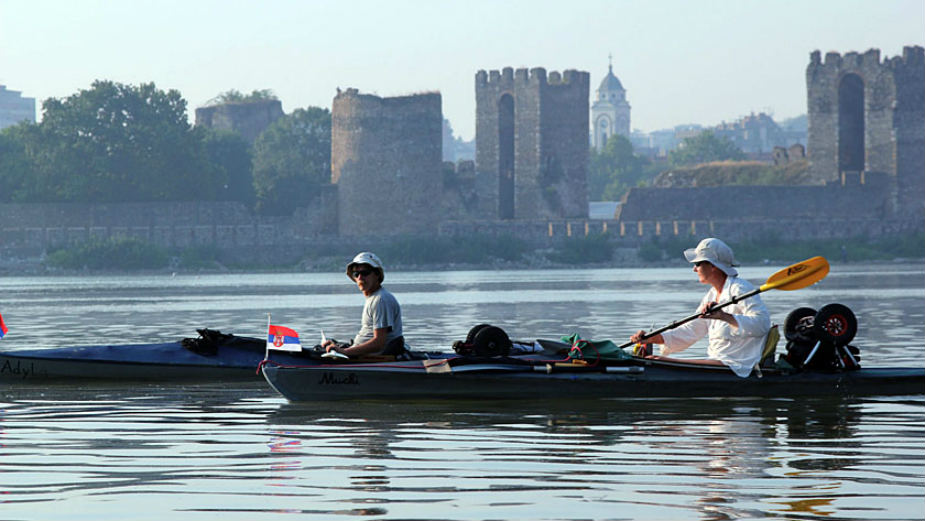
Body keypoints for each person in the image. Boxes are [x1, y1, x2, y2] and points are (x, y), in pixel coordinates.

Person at [630, 238, 771, 377]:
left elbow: (762, 324)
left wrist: (725, 317)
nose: (694, 269)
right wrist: (655, 338)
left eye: (697, 263)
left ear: (713, 266)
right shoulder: (711, 295)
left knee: (657, 362)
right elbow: (691, 330)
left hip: (739, 365)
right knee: (655, 361)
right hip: (717, 361)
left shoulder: (741, 289)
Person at [322, 252, 406, 357]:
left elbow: (379, 343)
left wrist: (344, 352)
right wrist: (339, 347)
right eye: (356, 274)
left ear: (377, 275)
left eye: (365, 273)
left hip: (374, 359)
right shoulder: (374, 298)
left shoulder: (380, 300)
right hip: (358, 353)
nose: (360, 277)